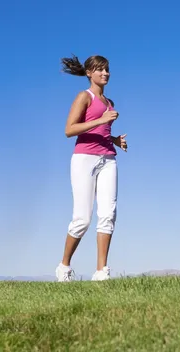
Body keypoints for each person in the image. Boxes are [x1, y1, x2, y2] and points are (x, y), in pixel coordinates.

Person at [55, 54, 127, 282]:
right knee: (82, 219)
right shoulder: (83, 97)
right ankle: (64, 267)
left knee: (108, 215)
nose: (105, 73)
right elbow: (69, 129)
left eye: (107, 70)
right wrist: (101, 120)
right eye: (100, 70)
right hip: (84, 159)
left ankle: (101, 271)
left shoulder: (109, 102)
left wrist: (115, 140)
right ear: (89, 73)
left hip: (108, 159)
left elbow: (102, 131)